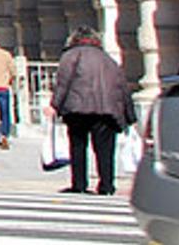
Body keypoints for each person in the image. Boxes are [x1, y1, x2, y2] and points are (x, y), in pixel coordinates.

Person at [48, 26, 133, 195]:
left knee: (78, 146)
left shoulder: (70, 56)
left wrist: (55, 104)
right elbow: (122, 86)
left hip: (78, 108)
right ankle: (107, 185)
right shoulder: (108, 59)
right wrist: (129, 115)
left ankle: (79, 184)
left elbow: (63, 83)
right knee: (105, 149)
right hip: (107, 110)